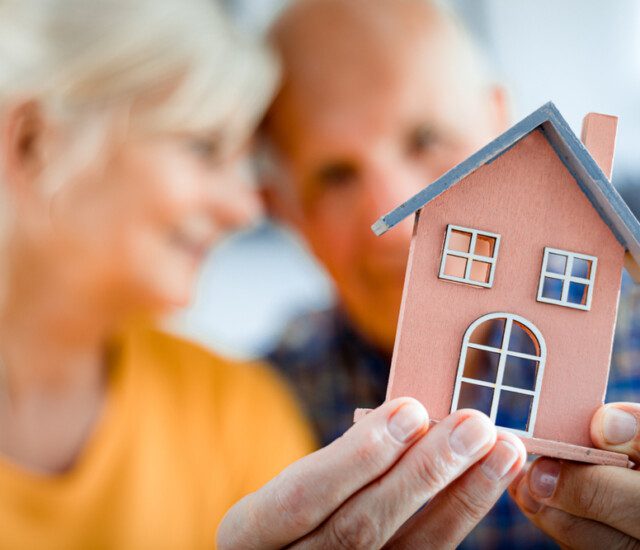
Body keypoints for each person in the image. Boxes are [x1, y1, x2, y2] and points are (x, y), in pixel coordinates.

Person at [0, 1, 528, 548]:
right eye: (203, 148)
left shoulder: (235, 412)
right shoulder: (275, 396)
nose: (248, 209)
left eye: (426, 139)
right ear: (32, 143)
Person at [262, 0, 640, 547]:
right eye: (335, 175)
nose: (395, 227)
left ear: (501, 124)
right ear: (287, 210)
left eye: (427, 139)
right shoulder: (264, 406)